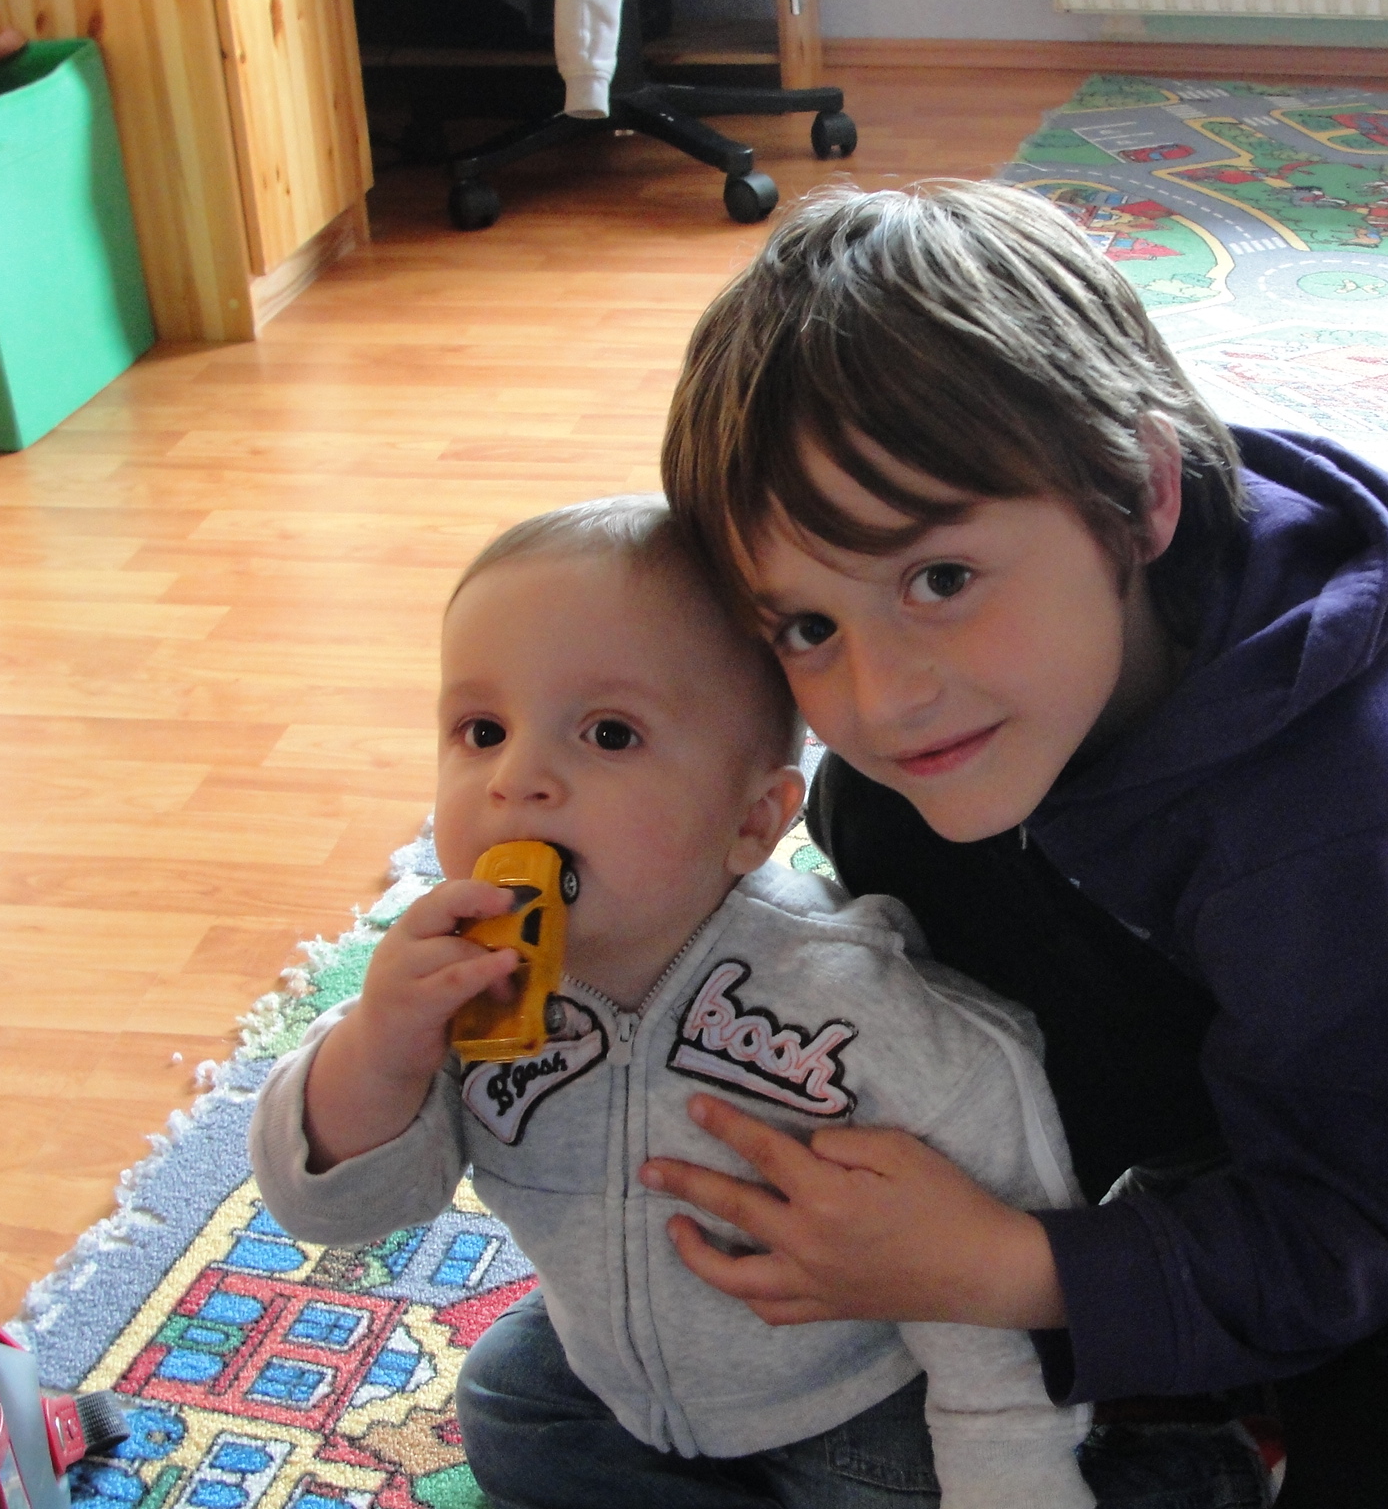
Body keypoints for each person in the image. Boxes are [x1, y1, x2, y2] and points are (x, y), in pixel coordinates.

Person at [650, 180, 1388, 1509]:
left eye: (940, 579)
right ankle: (1178, 1340)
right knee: (878, 814)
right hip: (1249, 991)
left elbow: (1362, 1216)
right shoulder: (950, 728)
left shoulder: (1348, 804)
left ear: (1143, 496)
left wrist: (1000, 1269)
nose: (878, 695)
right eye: (807, 626)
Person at [247, 497, 1192, 1509]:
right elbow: (343, 1215)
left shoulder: (853, 1002)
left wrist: (1008, 1471)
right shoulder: (448, 991)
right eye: (482, 731)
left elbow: (985, 1218)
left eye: (608, 734)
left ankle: (1196, 1470)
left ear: (752, 819)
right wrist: (379, 1054)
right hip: (619, 1375)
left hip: (860, 1392)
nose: (518, 781)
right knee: (506, 1403)